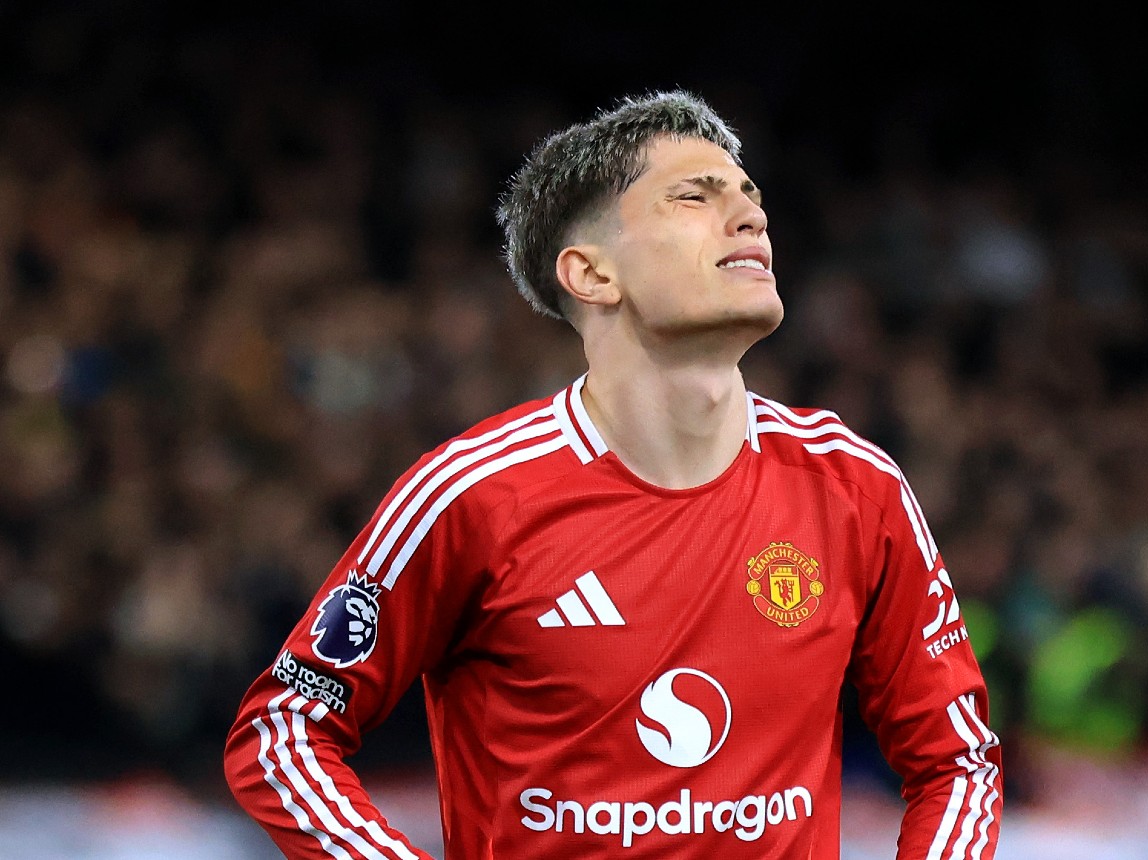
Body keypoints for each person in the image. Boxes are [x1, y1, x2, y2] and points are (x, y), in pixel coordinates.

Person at [224, 89, 1003, 859]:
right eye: (695, 196)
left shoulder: (855, 487)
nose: (751, 215)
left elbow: (957, 763)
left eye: (749, 194)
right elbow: (285, 730)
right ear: (591, 274)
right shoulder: (473, 497)